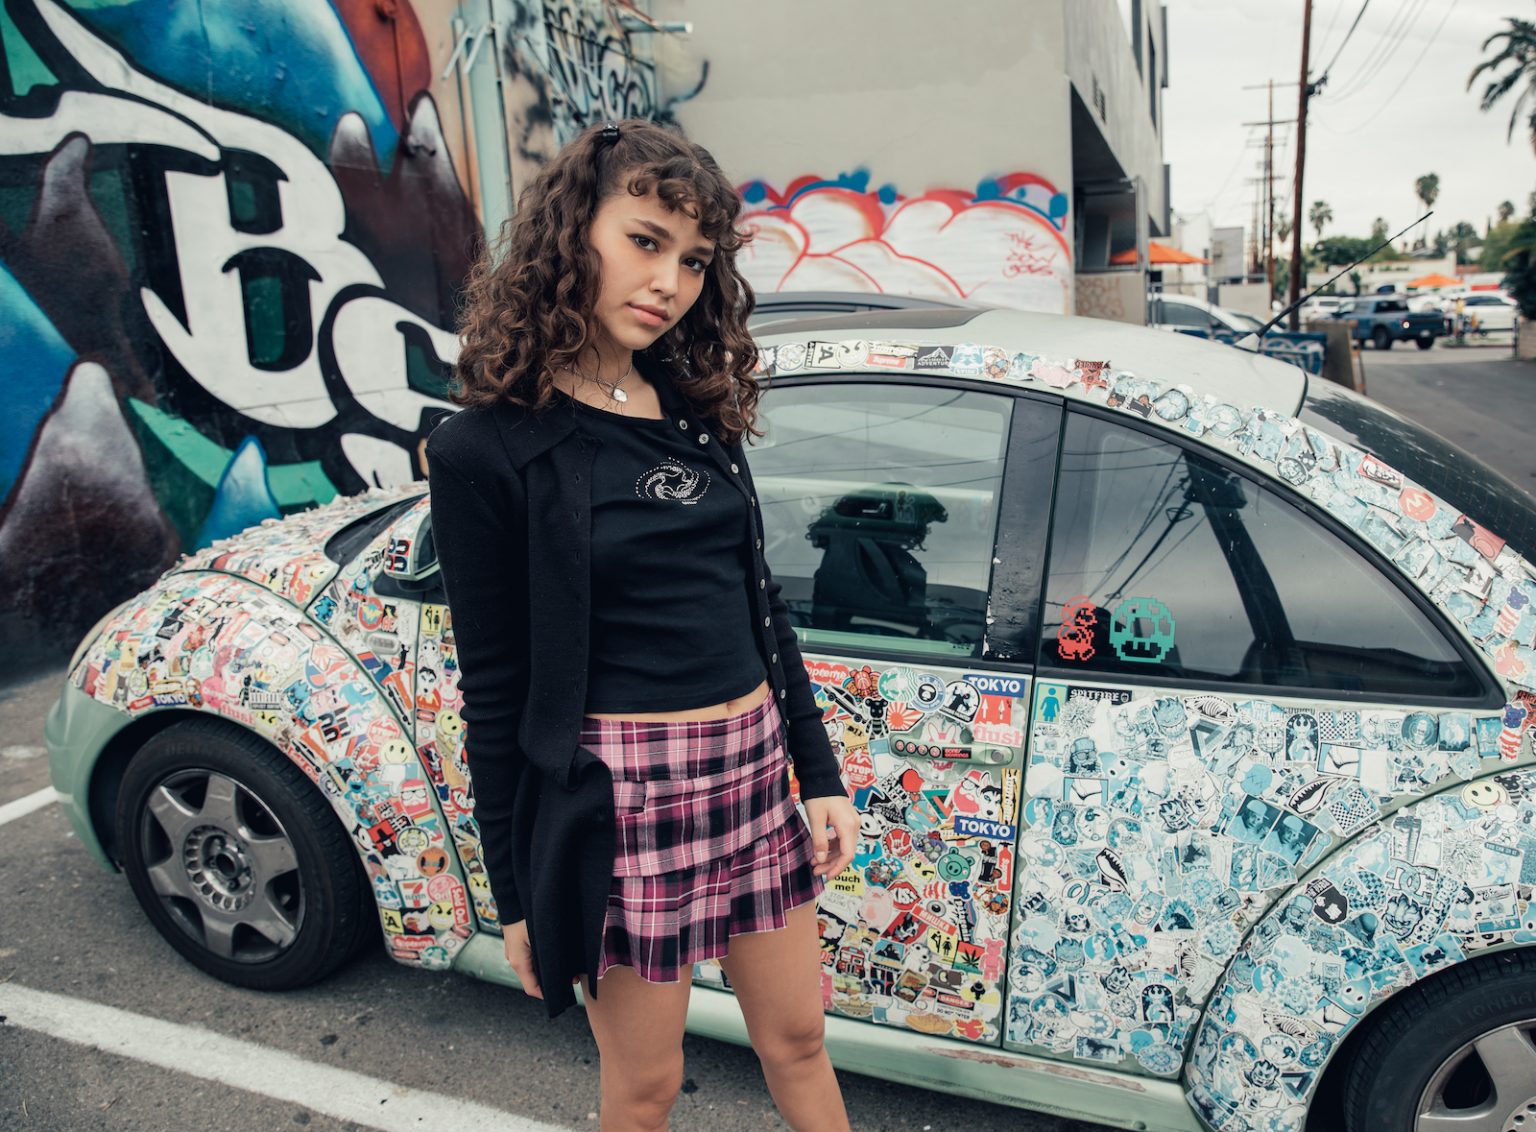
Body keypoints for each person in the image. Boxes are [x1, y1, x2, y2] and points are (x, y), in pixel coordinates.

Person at [424, 119, 857, 1131]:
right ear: (573, 233)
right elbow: (493, 689)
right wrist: (518, 895)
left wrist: (817, 770)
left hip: (751, 770)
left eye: (695, 260)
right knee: (646, 1086)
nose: (669, 282)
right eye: (645, 241)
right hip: (621, 804)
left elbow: (759, 603)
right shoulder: (488, 449)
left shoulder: (693, 407)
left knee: (799, 1040)